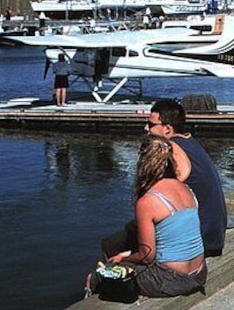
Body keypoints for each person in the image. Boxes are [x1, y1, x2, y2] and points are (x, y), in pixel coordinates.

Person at [89, 135, 206, 299]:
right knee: (121, 259)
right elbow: (172, 239)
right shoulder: (186, 189)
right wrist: (126, 254)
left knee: (101, 275)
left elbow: (146, 255)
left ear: (143, 163)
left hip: (170, 280)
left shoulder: (148, 201)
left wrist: (126, 258)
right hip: (199, 274)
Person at [146, 99, 227, 257]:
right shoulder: (189, 142)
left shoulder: (172, 150)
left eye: (151, 125)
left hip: (200, 243)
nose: (146, 129)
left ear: (168, 129)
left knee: (116, 243)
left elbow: (156, 198)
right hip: (214, 235)